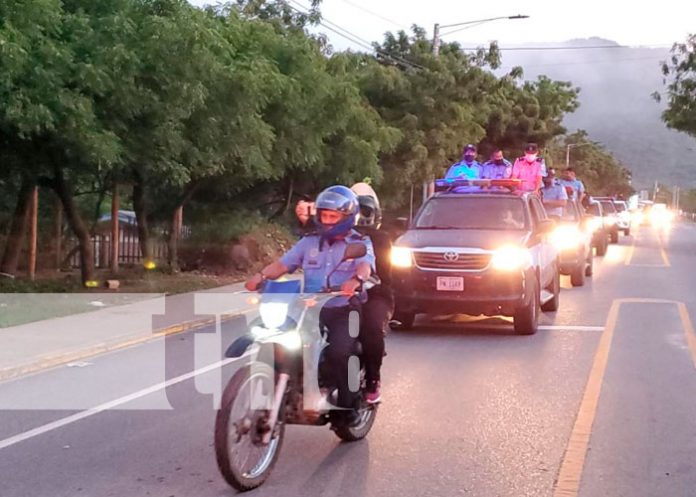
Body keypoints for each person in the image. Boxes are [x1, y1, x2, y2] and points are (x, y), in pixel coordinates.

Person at [246, 186, 375, 424]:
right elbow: (284, 265)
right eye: (324, 216)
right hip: (308, 308)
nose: (327, 221)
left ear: (347, 217)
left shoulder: (360, 242)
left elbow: (364, 266)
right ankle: (284, 391)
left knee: (340, 352)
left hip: (342, 308)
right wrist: (261, 276)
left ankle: (349, 407)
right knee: (278, 342)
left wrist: (356, 279)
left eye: (332, 217)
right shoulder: (309, 242)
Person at [350, 183, 392, 404]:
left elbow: (382, 272)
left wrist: (362, 279)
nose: (361, 218)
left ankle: (373, 380)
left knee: (371, 329)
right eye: (356, 211)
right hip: (336, 293)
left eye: (365, 212)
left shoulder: (380, 239)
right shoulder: (334, 236)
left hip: (374, 292)